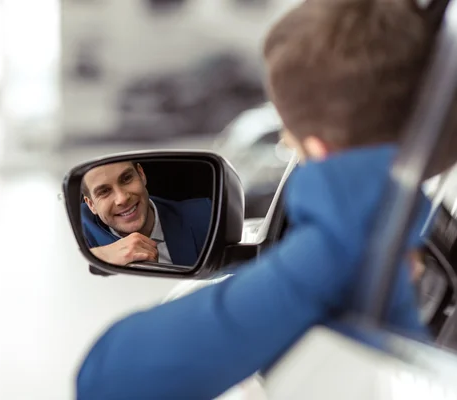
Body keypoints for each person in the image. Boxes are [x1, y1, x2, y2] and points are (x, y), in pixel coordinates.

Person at [75, 0, 457, 399]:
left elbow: (107, 379)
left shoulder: (338, 250)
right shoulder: (392, 228)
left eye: (289, 140)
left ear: (319, 151)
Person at [81, 161, 212, 266]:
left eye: (126, 179)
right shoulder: (76, 227)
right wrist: (103, 256)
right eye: (104, 192)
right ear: (91, 204)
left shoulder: (204, 214)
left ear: (141, 175)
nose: (122, 198)